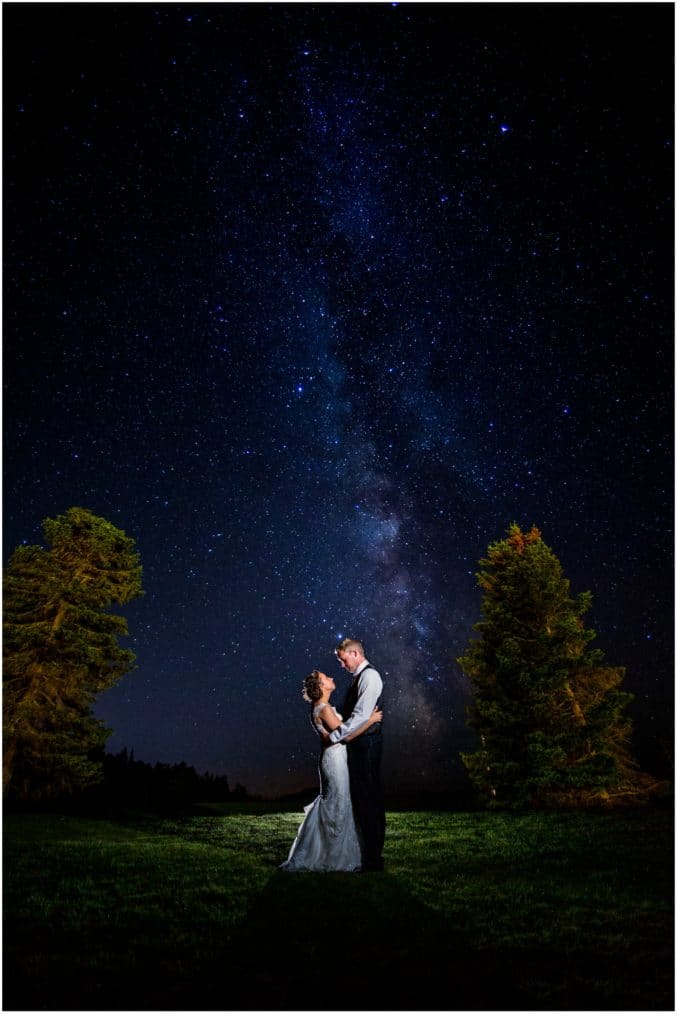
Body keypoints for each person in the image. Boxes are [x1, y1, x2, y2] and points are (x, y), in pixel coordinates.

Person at [280, 670, 383, 872]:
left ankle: (331, 851)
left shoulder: (320, 707)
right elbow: (346, 736)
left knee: (338, 801)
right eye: (327, 678)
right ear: (320, 686)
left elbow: (340, 734)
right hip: (334, 761)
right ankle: (333, 856)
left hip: (334, 759)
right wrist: (370, 721)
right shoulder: (323, 709)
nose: (332, 679)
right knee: (337, 802)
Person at [326, 638, 386, 872]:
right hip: (361, 744)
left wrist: (334, 737)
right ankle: (368, 855)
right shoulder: (359, 678)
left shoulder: (370, 677)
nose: (342, 665)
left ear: (355, 654)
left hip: (367, 744)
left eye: (343, 660)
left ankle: (373, 859)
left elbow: (361, 716)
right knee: (362, 799)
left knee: (369, 799)